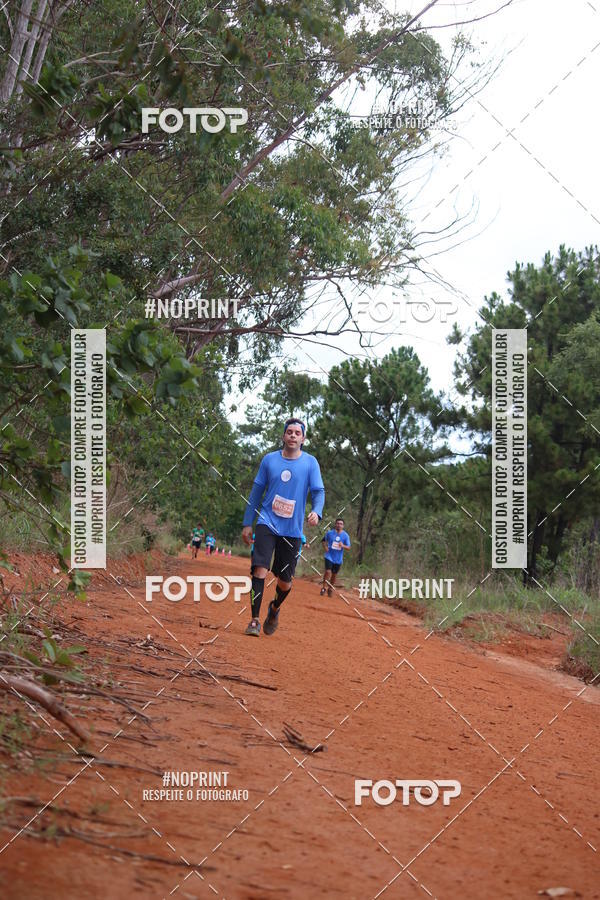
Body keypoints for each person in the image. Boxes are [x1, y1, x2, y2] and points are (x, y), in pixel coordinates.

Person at [242, 417, 324, 636]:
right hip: (267, 522)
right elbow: (256, 492)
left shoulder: (310, 463)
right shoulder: (269, 460)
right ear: (283, 436)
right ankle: (254, 620)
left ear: (303, 439)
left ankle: (274, 608)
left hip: (293, 530)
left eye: (298, 433)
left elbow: (318, 492)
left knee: (285, 581)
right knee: (259, 569)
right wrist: (247, 523)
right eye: (289, 432)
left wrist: (317, 511)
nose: (293, 436)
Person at [321, 518, 351, 596]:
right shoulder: (330, 533)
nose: (339, 525)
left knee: (334, 574)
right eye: (337, 523)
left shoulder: (345, 535)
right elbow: (323, 540)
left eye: (341, 524)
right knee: (328, 571)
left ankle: (330, 588)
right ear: (335, 524)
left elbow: (348, 547)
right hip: (329, 556)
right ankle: (324, 587)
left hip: (338, 559)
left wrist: (343, 545)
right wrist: (325, 547)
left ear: (343, 526)